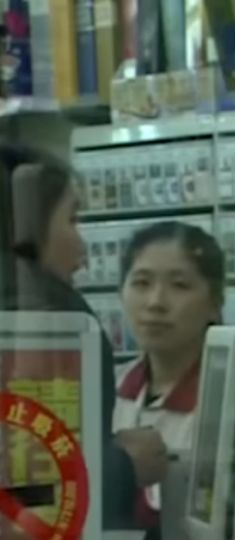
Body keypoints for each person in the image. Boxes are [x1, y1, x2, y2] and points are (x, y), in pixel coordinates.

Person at [0, 144, 167, 532]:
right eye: (72, 220)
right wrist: (124, 466)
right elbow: (33, 495)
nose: (83, 249)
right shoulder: (48, 320)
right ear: (25, 228)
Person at [112, 221, 225, 533]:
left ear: (215, 302)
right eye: (141, 282)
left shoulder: (231, 402)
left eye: (179, 285)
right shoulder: (107, 389)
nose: (156, 302)